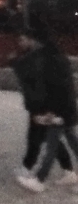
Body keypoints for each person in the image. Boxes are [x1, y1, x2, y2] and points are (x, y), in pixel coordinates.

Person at [10, 27, 78, 190]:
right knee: (69, 141)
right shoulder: (56, 59)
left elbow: (54, 89)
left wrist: (48, 112)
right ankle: (65, 173)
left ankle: (39, 179)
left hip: (57, 110)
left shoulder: (47, 62)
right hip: (63, 109)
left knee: (51, 143)